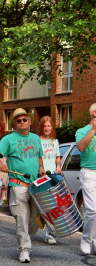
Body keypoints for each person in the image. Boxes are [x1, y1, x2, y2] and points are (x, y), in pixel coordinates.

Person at [0, 108, 44, 263]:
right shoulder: (8, 139)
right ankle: (24, 249)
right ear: (14, 124)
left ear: (30, 121)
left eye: (24, 120)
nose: (22, 122)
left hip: (34, 185)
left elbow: (39, 157)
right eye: (18, 121)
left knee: (35, 219)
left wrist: (41, 168)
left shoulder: (35, 138)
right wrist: (0, 163)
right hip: (17, 184)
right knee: (21, 218)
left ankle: (26, 238)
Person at [75, 103, 96, 256]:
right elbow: (81, 147)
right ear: (93, 114)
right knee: (92, 210)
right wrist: (93, 130)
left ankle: (94, 241)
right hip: (88, 172)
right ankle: (86, 239)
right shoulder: (82, 131)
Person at [38, 116, 61, 245]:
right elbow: (38, 157)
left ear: (52, 127)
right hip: (42, 177)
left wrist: (58, 166)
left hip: (53, 176)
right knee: (45, 205)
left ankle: (50, 233)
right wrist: (40, 168)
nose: (47, 128)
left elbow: (57, 157)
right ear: (42, 127)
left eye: (49, 126)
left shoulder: (55, 141)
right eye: (45, 126)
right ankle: (39, 226)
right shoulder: (38, 140)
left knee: (53, 205)